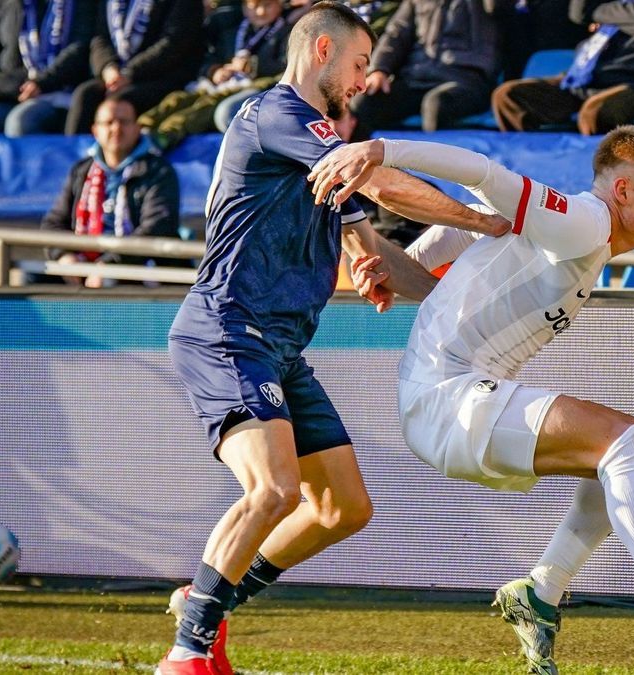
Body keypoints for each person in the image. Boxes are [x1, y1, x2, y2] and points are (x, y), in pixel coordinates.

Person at [310, 125, 634, 673]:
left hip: (453, 404)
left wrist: (391, 268)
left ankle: (541, 592)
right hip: (450, 400)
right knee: (625, 442)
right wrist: (381, 150)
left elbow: (464, 246)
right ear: (624, 191)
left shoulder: (570, 232)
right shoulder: (583, 221)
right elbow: (484, 174)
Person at [156, 3, 508, 674]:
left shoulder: (319, 158)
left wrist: (443, 302)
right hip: (228, 328)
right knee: (275, 490)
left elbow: (375, 254)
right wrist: (483, 221)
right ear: (321, 49)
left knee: (344, 507)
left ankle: (207, 595)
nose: (362, 79)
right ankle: (187, 649)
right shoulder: (279, 115)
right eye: (358, 63)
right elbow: (380, 181)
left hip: (280, 346)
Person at [490, 0, 634, 135]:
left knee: (593, 114)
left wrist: (600, 13)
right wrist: (615, 14)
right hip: (580, 78)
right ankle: (529, 164)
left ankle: (597, 172)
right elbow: (579, 12)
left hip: (630, 84)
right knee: (508, 95)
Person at [39, 93, 179, 287]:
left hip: (136, 266)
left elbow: (157, 228)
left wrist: (110, 264)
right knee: (32, 277)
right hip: (84, 263)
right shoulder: (82, 170)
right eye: (108, 122)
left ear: (138, 129)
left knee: (110, 282)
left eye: (124, 122)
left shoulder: (158, 170)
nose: (116, 128)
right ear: (95, 130)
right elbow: (53, 223)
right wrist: (65, 256)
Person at [138, 0, 290, 150]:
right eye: (254, 6)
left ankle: (166, 135)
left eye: (268, 5)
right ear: (244, 8)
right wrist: (214, 70)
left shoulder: (286, 33)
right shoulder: (233, 30)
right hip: (219, 83)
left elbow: (285, 66)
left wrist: (253, 66)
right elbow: (212, 57)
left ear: (280, 4)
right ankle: (142, 127)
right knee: (177, 99)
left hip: (252, 87)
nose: (261, 11)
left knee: (206, 105)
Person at [347, 0, 500, 136]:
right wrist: (379, 70)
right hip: (415, 78)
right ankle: (360, 164)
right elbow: (396, 34)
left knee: (436, 105)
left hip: (466, 80)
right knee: (365, 102)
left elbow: (501, 9)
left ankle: (438, 166)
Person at [0, 0, 95, 136]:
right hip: (8, 91)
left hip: (56, 90)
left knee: (20, 122)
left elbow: (79, 49)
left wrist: (42, 83)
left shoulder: (79, 4)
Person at [64, 0, 204, 134]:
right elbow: (100, 38)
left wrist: (129, 74)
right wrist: (108, 67)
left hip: (163, 76)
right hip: (118, 76)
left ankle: (128, 157)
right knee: (85, 94)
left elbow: (174, 43)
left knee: (117, 103)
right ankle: (76, 157)